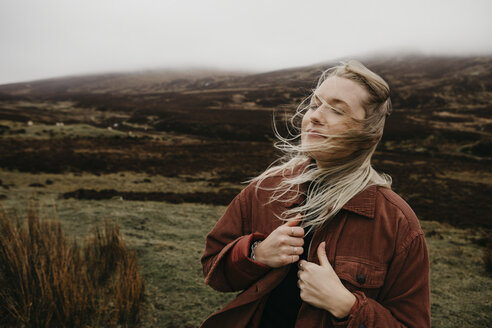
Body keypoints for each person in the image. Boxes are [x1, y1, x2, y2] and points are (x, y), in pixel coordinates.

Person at [200, 60, 430, 328]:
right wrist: (256, 253)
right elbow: (213, 271)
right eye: (314, 104)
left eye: (336, 110)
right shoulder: (266, 190)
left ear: (369, 137)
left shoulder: (397, 223)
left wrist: (348, 307)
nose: (315, 116)